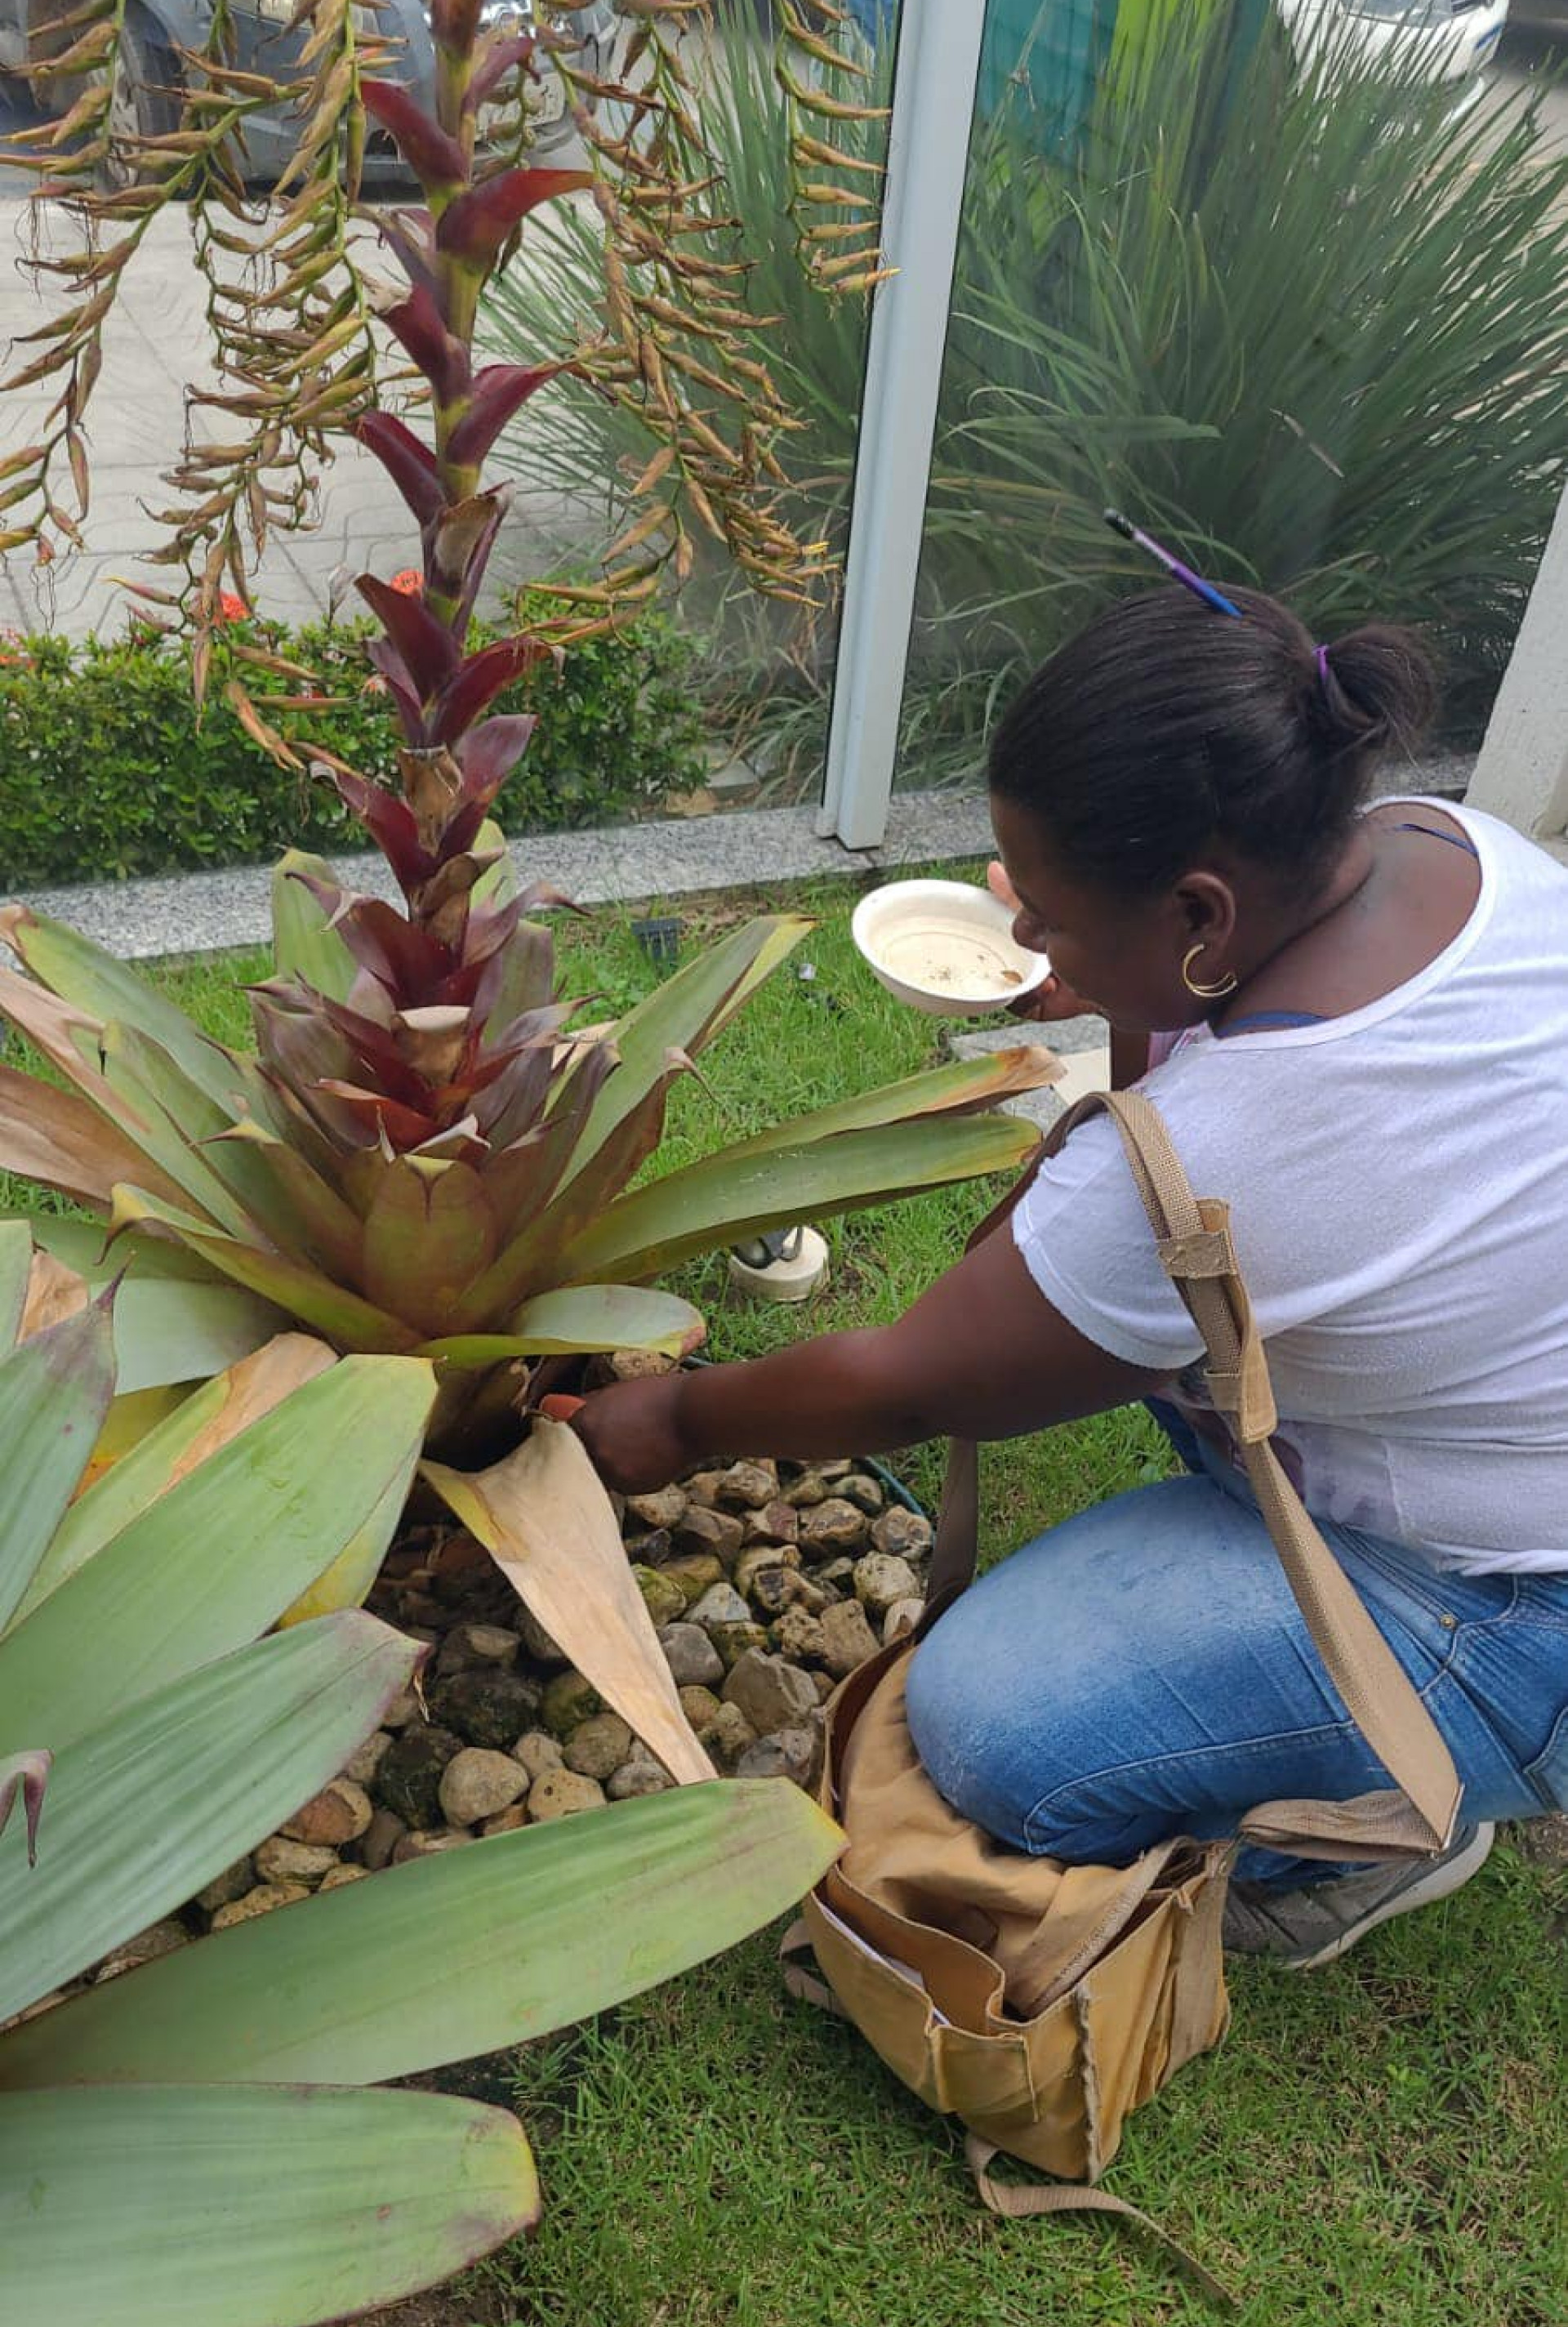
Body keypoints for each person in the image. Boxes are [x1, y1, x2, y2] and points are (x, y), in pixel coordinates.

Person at [572, 577, 1568, 1968]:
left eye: (1046, 911)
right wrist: (1124, 973)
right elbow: (1196, 1097)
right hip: (1505, 1439)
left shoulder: (1236, 1149)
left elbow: (915, 1386)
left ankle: (1374, 1821)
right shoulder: (1436, 842)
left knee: (996, 1733)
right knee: (1141, 1324)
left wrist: (679, 1421)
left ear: (1203, 912)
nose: (1028, 939)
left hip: (1519, 1609)